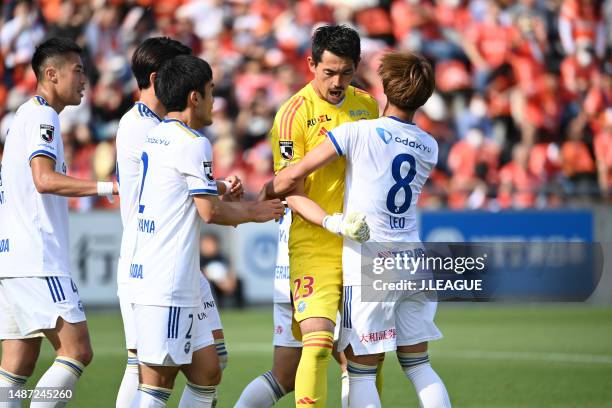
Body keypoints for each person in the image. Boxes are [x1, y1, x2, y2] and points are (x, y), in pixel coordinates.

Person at [266, 51, 452, 408]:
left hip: (369, 260)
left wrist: (267, 190)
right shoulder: (430, 145)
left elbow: (293, 174)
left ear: (384, 88)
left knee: (361, 369)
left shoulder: (356, 132)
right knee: (419, 365)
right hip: (412, 259)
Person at [124, 54, 284, 408]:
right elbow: (208, 212)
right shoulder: (194, 142)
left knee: (207, 371)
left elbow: (178, 191)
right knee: (156, 384)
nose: (214, 102)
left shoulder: (159, 135)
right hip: (165, 281)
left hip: (166, 275)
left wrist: (221, 189)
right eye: (211, 92)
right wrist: (256, 212)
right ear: (194, 97)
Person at [240, 25, 379, 408]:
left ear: (357, 68)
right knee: (316, 346)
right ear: (311, 64)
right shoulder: (293, 115)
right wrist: (331, 222)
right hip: (313, 242)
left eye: (345, 73)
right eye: (328, 72)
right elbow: (287, 187)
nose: (337, 82)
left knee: (365, 359)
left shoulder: (366, 107)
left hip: (359, 245)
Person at [114, 37, 239, 407]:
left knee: (212, 365)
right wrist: (245, 208)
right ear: (160, 77)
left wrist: (212, 186)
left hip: (179, 261)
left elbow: (170, 181)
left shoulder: (163, 128)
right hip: (153, 259)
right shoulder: (139, 127)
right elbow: (156, 192)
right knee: (147, 370)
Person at [0, 37, 117, 407]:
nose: (85, 79)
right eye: (77, 71)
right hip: (38, 257)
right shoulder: (42, 115)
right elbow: (44, 179)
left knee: (17, 364)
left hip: (13, 258)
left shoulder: (25, 114)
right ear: (51, 74)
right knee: (77, 351)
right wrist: (108, 186)